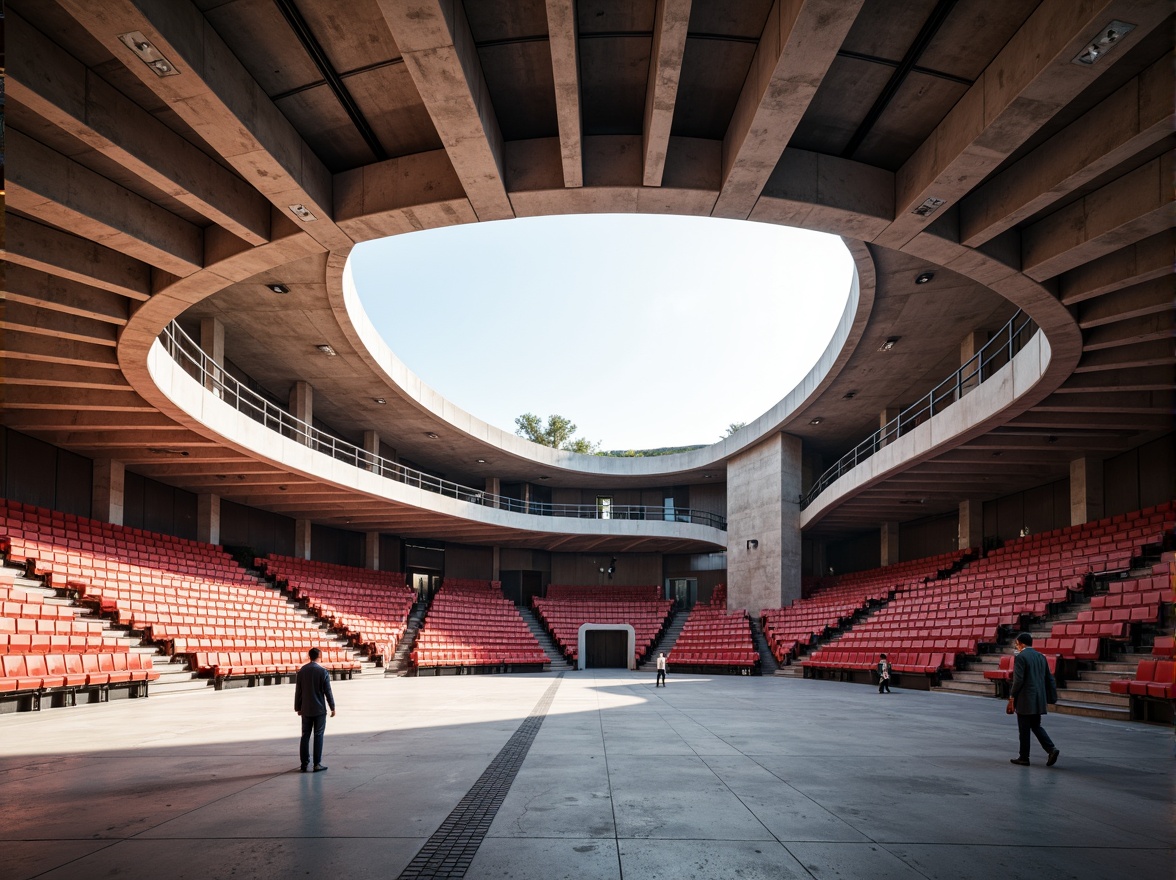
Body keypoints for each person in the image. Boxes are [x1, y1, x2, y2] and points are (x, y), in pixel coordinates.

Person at [1007, 632, 1059, 767]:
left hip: (1025, 698)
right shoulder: (1041, 657)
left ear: (1021, 643)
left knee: (1024, 729)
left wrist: (1012, 695)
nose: (1016, 646)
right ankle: (1051, 749)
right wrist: (1051, 696)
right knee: (1036, 726)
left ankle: (1024, 757)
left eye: (1017, 643)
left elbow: (1018, 680)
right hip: (1038, 698)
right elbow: (1049, 678)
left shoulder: (1020, 657)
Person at [295, 647, 336, 772]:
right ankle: (317, 764)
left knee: (305, 735)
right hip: (319, 709)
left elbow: (299, 691)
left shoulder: (302, 671)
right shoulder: (323, 672)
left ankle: (304, 764)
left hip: (306, 709)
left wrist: (298, 707)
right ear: (319, 656)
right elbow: (327, 691)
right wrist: (332, 707)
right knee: (318, 735)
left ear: (309, 656)